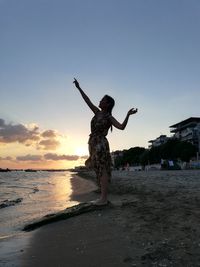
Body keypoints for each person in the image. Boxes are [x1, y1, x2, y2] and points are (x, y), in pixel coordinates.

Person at [73, 78, 138, 206]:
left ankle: (103, 199)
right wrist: (79, 88)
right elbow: (87, 100)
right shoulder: (97, 112)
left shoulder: (108, 117)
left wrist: (128, 115)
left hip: (101, 144)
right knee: (98, 169)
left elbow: (121, 127)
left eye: (102, 100)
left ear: (107, 104)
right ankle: (103, 198)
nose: (100, 101)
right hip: (92, 142)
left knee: (102, 169)